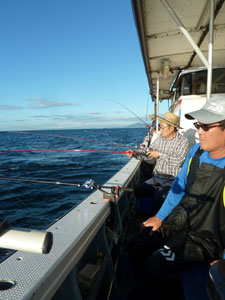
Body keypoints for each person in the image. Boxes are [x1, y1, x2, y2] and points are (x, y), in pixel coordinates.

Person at [128, 94, 225, 299]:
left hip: (207, 237)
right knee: (137, 245)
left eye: (206, 127)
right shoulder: (196, 151)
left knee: (157, 264)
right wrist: (160, 217)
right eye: (198, 125)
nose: (199, 132)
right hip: (183, 218)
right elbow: (178, 188)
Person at [126, 112, 190, 214]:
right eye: (160, 127)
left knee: (159, 198)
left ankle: (158, 223)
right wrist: (135, 153)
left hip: (173, 180)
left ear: (172, 128)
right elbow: (148, 152)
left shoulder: (183, 141)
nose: (160, 130)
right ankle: (144, 214)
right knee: (138, 191)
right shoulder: (160, 139)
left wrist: (160, 155)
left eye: (162, 127)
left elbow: (179, 161)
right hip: (158, 178)